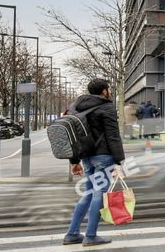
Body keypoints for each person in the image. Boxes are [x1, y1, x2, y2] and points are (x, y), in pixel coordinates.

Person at [64, 78, 126, 247]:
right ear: (104, 91)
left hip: (86, 157)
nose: (109, 91)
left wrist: (74, 161)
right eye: (108, 89)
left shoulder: (76, 106)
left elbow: (72, 136)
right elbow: (113, 136)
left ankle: (72, 234)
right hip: (103, 157)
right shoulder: (106, 107)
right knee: (99, 194)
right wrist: (119, 161)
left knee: (89, 193)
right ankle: (90, 236)